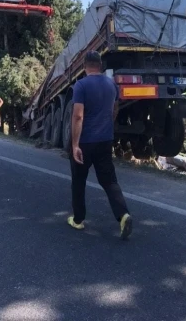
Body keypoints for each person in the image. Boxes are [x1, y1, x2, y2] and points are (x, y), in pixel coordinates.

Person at [69, 51, 132, 240]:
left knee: (78, 182)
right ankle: (123, 215)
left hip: (85, 142)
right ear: (101, 65)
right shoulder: (111, 84)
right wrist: (107, 126)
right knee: (109, 181)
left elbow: (78, 116)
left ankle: (78, 220)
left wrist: (74, 145)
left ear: (84, 66)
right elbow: (115, 109)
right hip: (105, 140)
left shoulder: (80, 85)